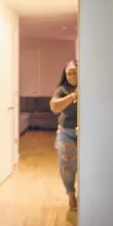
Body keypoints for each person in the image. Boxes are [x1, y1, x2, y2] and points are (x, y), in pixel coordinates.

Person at [49, 59, 78, 211]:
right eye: (68, 73)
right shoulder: (63, 89)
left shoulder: (90, 86)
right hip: (67, 133)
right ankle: (71, 195)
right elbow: (54, 106)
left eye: (74, 72)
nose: (71, 76)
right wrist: (73, 96)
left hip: (88, 133)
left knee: (88, 167)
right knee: (67, 167)